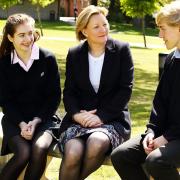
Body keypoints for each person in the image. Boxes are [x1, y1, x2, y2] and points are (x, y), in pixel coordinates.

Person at [58, 5, 134, 180]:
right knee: (73, 152)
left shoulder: (122, 50)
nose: (103, 29)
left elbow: (125, 90)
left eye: (105, 24)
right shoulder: (75, 53)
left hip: (112, 120)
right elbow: (69, 91)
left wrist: (101, 117)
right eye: (96, 26)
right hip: (79, 120)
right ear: (84, 31)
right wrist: (76, 115)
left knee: (96, 143)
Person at [111, 1, 180, 180]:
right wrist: (152, 132)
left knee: (156, 161)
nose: (159, 35)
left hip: (174, 136)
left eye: (163, 29)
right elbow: (160, 102)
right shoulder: (172, 58)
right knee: (121, 156)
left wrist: (166, 137)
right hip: (167, 134)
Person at [0, 13, 61, 180]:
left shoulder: (47, 58)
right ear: (10, 37)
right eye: (21, 35)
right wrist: (21, 124)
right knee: (23, 153)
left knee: (40, 148)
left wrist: (35, 121)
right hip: (15, 119)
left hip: (44, 118)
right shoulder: (4, 64)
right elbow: (5, 101)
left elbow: (54, 97)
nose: (28, 39)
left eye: (30, 33)